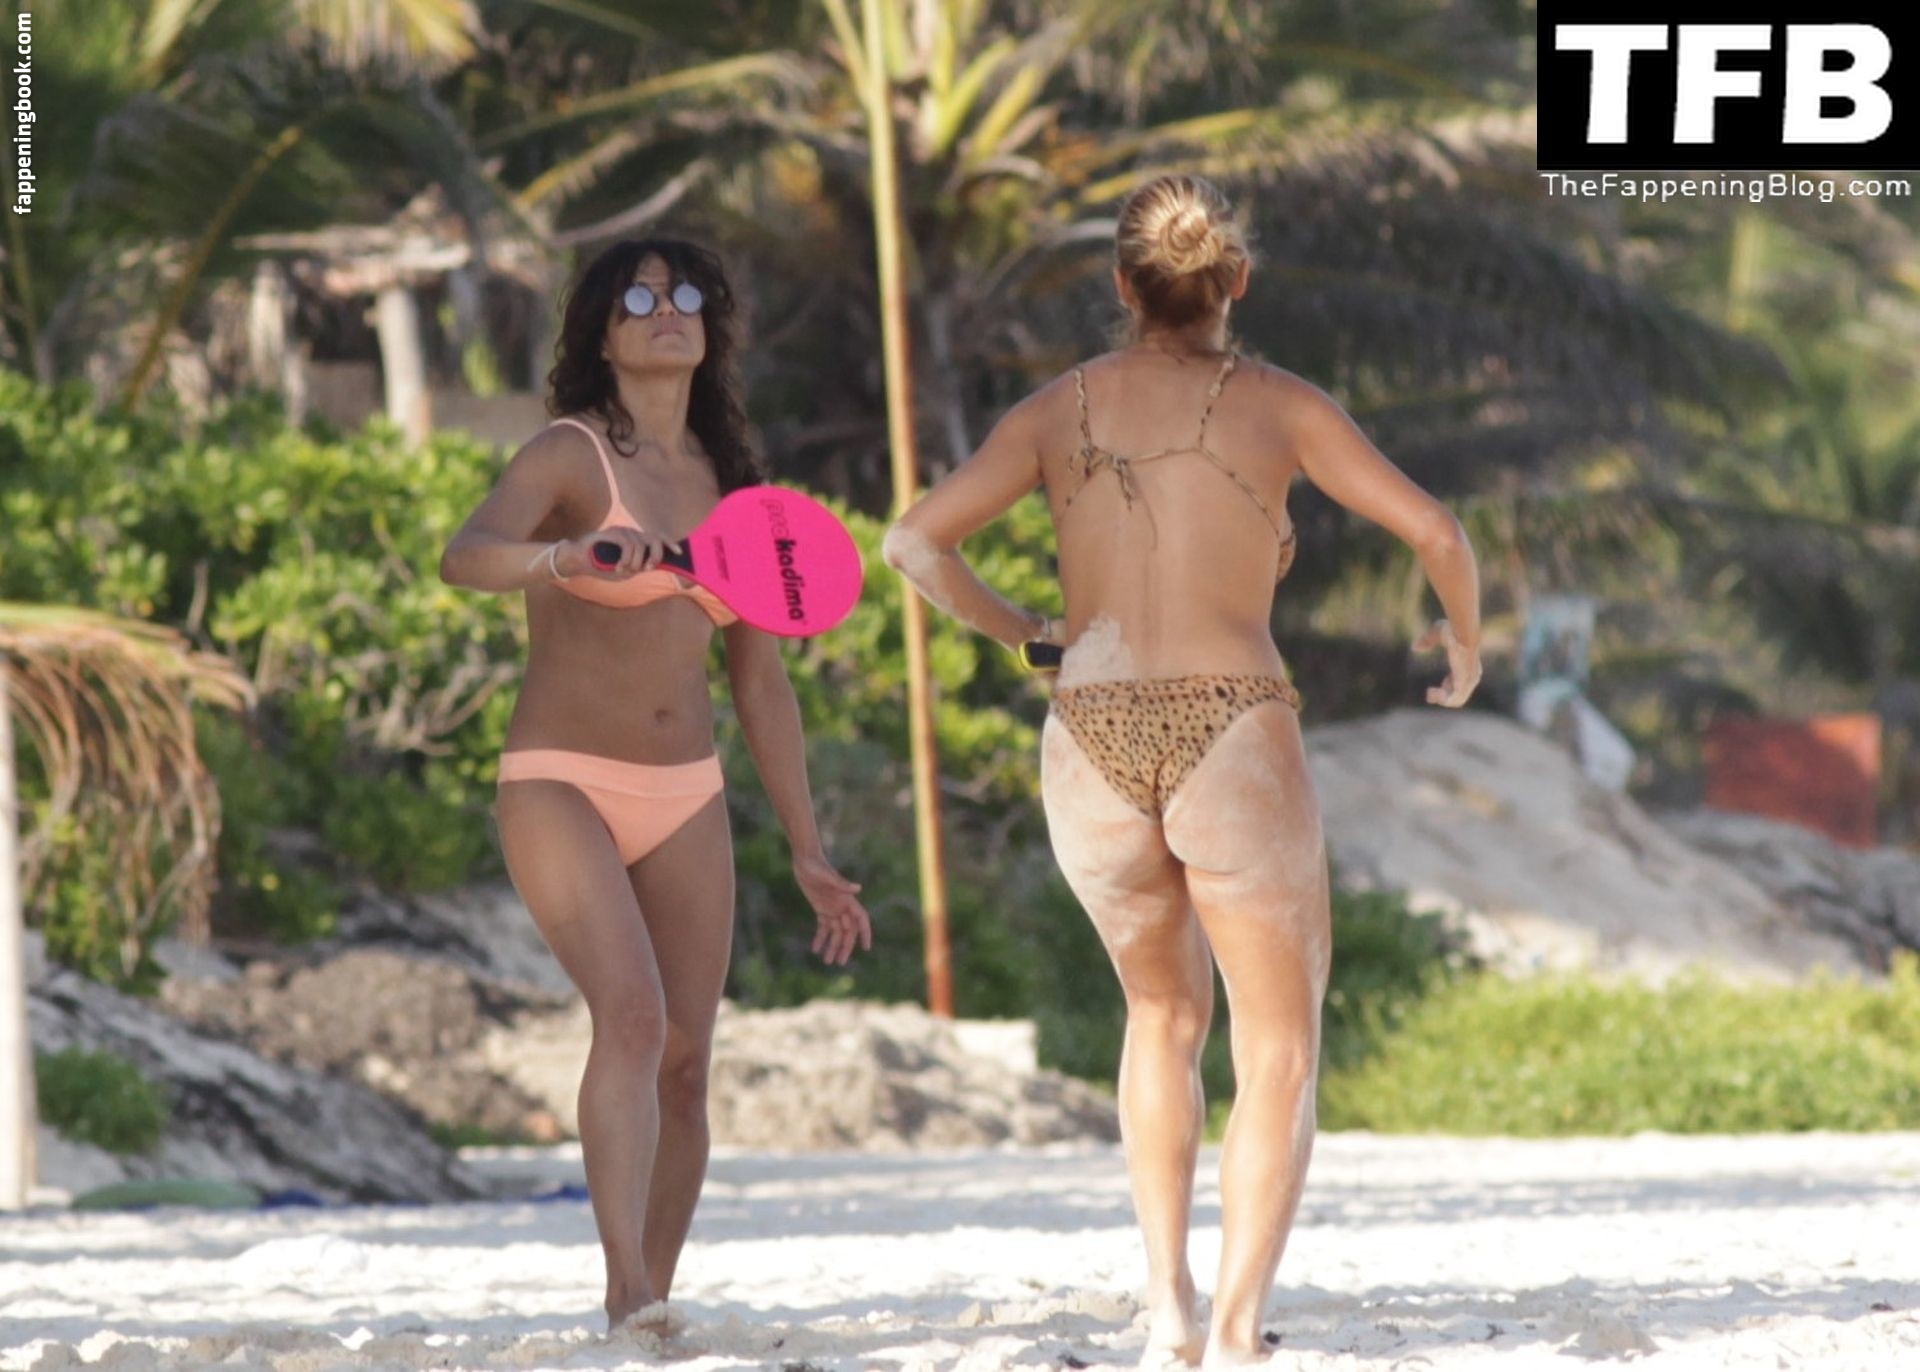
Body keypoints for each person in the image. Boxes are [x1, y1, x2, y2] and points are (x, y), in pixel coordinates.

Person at [882, 174, 1481, 1367]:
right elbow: (1436, 531)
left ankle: (1169, 1308)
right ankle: (1240, 1325)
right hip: (1229, 720)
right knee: (1278, 1044)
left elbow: (913, 541)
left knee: (1158, 1015)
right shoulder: (1281, 404)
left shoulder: (1057, 407)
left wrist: (1027, 633)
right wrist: (1461, 643)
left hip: (1091, 725)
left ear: (1123, 284)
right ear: (1235, 281)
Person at [440, 237, 873, 1333]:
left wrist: (808, 847)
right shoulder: (570, 454)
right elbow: (466, 553)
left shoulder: (738, 491)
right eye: (638, 297)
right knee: (629, 1015)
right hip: (560, 781)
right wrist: (560, 560)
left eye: (684, 294)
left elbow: (760, 681)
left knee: (686, 1062)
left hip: (686, 792)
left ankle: (652, 1308)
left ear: (711, 328)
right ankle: (623, 1281)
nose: (665, 308)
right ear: (602, 331)